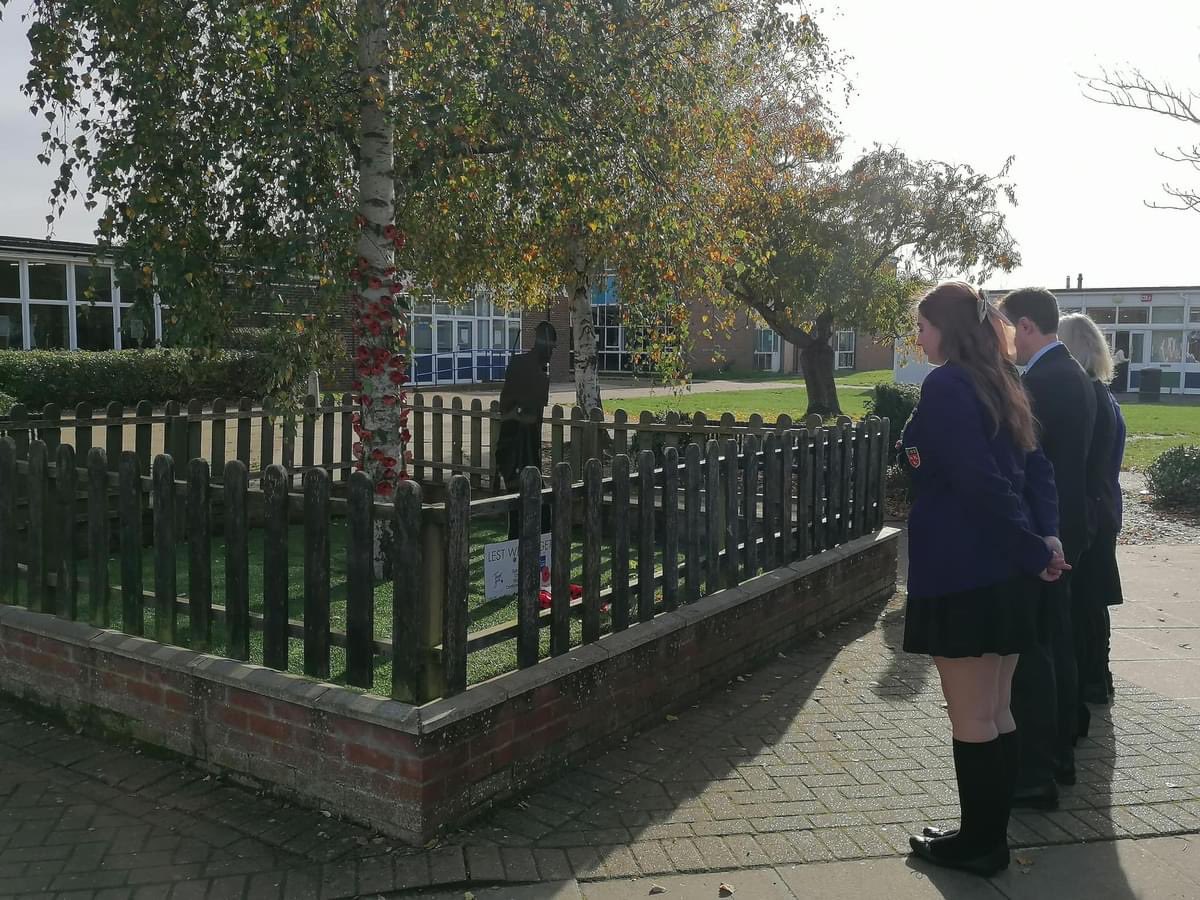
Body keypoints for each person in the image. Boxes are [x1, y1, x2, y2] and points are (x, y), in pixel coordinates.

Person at [900, 282, 1066, 876]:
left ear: (947, 328)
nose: (917, 337)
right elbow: (1036, 470)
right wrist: (1046, 541)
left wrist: (1033, 547)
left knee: (973, 718)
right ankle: (984, 834)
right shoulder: (1006, 380)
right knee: (997, 712)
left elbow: (977, 483)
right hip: (1008, 574)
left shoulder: (947, 385)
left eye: (921, 326)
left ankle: (981, 844)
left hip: (965, 572)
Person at [998, 287, 1097, 806]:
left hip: (1049, 534)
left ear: (1027, 326)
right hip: (1067, 527)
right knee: (1059, 643)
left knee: (1042, 652)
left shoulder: (1043, 380)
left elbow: (1032, 467)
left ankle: (1043, 763)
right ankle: (1059, 752)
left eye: (1008, 326)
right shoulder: (1072, 373)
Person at [1059, 314, 1127, 702]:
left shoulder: (1086, 397)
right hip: (1105, 506)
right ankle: (1098, 677)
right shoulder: (1104, 394)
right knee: (1093, 598)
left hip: (1090, 510)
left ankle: (1092, 680)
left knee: (1084, 599)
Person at [496, 321, 556, 537]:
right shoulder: (527, 368)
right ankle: (517, 548)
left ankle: (538, 545)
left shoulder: (538, 372)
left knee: (539, 508)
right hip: (514, 448)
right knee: (519, 507)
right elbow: (509, 407)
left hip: (529, 451)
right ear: (541, 345)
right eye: (550, 348)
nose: (551, 354)